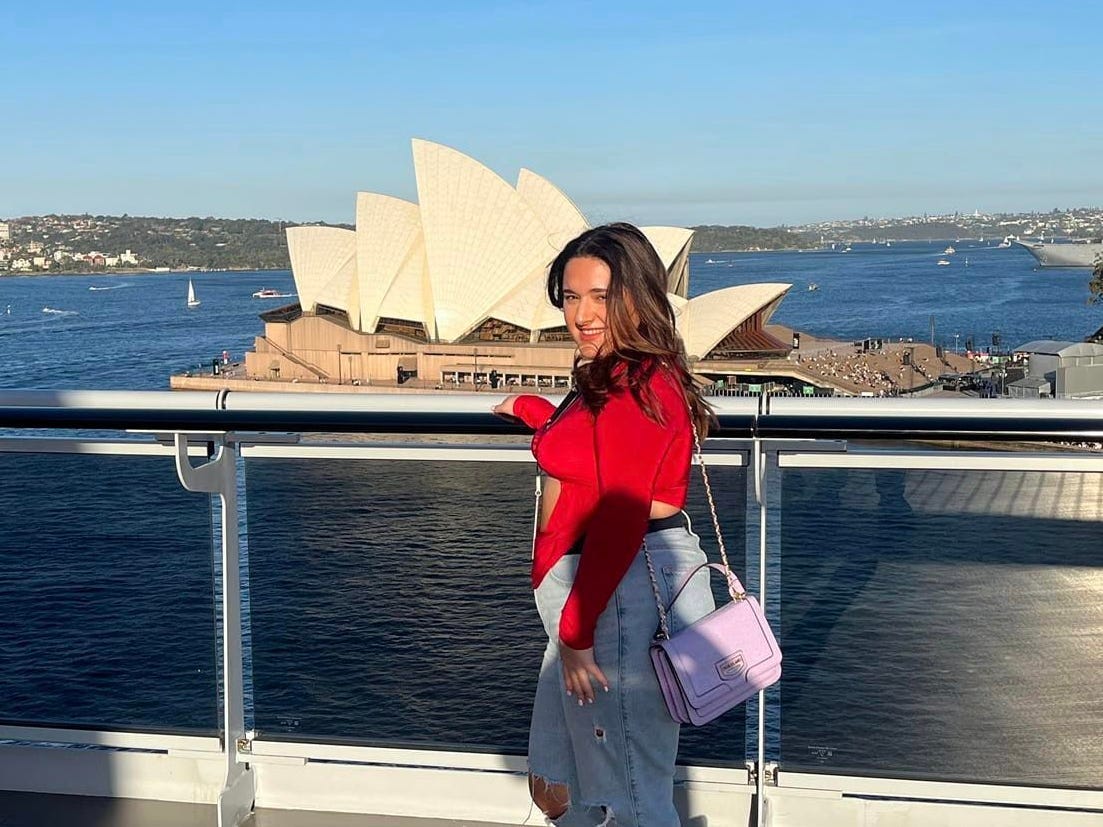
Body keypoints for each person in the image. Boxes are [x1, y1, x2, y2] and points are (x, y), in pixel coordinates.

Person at [492, 223, 716, 826]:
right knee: (559, 782)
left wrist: (577, 632)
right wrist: (538, 414)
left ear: (637, 298)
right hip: (592, 599)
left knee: (632, 795)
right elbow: (594, 451)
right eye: (571, 297)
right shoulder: (611, 372)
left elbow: (620, 512)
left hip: (613, 598)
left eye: (602, 296)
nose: (582, 314)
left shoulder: (639, 384)